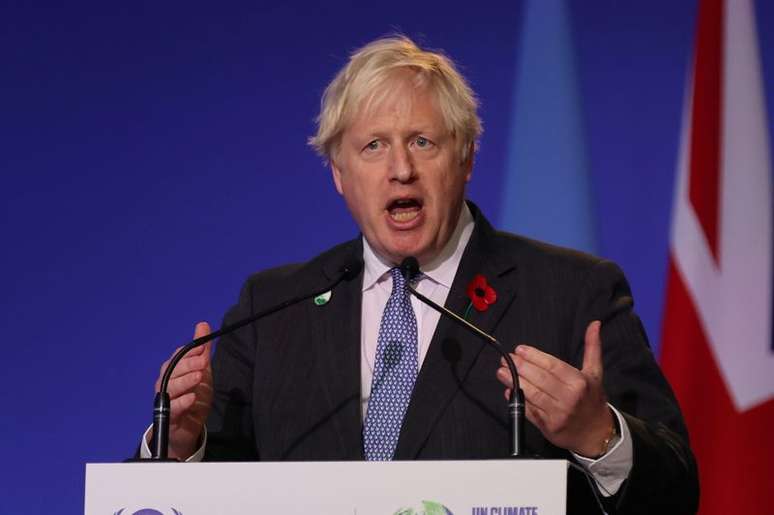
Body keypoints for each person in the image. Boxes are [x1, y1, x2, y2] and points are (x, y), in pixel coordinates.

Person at [140, 36, 698, 513]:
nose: (400, 169)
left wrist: (598, 436)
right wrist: (181, 443)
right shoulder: (272, 308)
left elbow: (679, 492)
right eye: (373, 146)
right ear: (339, 173)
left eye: (423, 142)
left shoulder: (573, 292)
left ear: (467, 159)